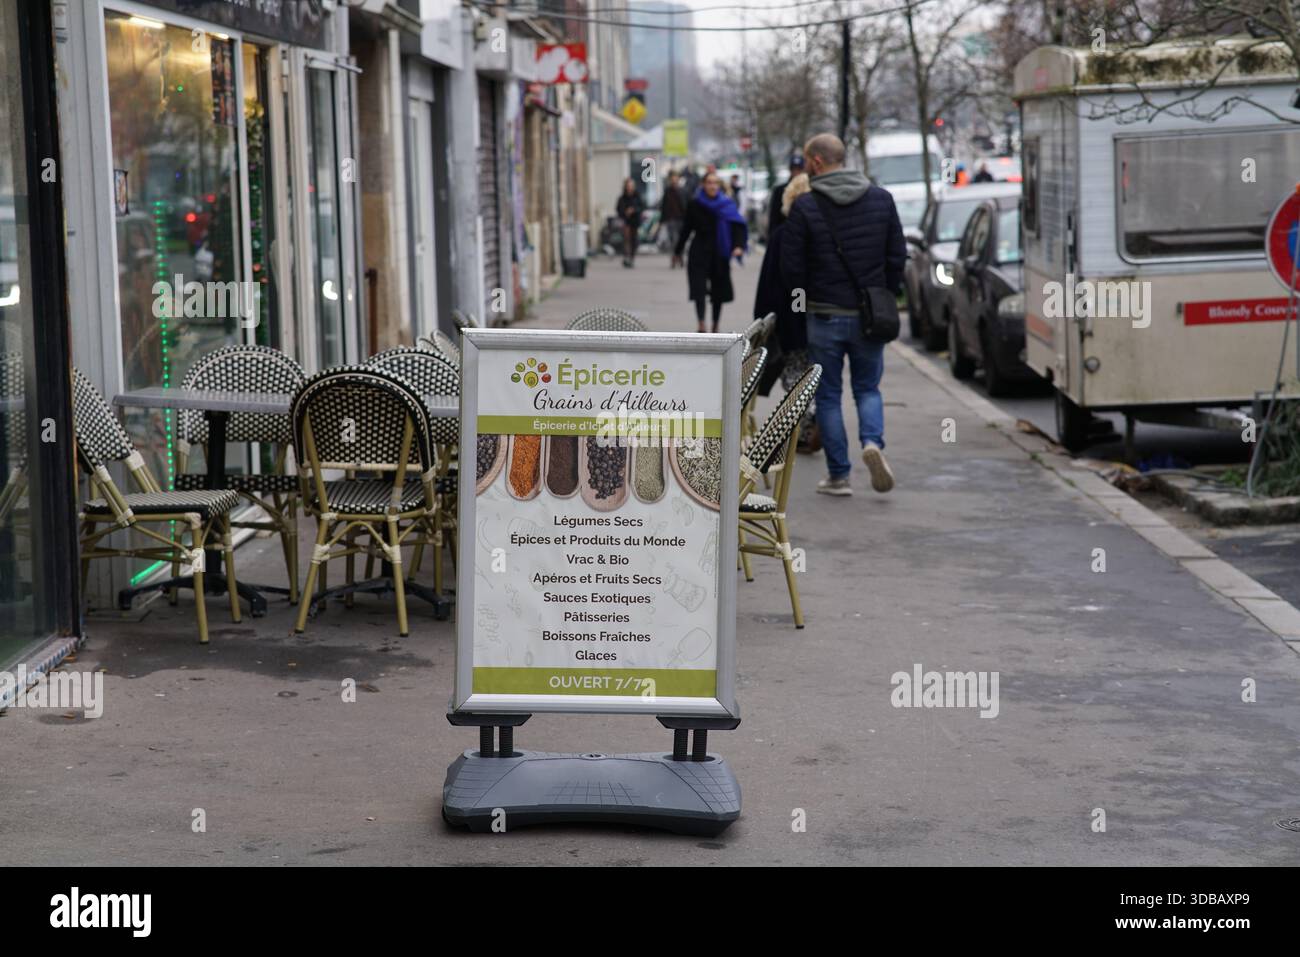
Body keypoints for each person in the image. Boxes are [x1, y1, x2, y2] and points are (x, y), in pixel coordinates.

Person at [780, 132, 904, 495]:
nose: (804, 168)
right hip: (869, 315)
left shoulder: (805, 207)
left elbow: (792, 269)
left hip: (823, 316)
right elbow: (897, 255)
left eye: (805, 161)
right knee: (867, 387)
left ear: (817, 162)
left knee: (829, 396)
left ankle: (839, 476)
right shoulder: (882, 200)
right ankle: (872, 443)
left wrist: (801, 305)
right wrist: (883, 294)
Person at [754, 172, 819, 453]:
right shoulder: (823, 229)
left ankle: (810, 420)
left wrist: (763, 319)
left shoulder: (783, 234)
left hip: (790, 316)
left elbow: (769, 281)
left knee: (794, 373)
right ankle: (812, 425)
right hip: (820, 313)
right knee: (814, 371)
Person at [673, 171, 748, 333]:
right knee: (698, 289)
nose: (712, 186)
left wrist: (738, 246)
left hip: (720, 252)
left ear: (719, 185)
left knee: (718, 292)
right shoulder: (695, 204)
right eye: (709, 182)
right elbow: (686, 229)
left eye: (715, 183)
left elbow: (738, 226)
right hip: (699, 250)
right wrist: (677, 251)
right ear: (703, 185)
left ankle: (715, 325)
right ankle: (701, 323)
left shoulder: (727, 204)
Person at [766, 153, 805, 242]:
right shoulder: (780, 191)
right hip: (785, 236)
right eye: (794, 169)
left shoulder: (809, 189)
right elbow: (774, 218)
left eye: (799, 169)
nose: (796, 172)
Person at [616, 178, 645, 268]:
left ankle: (632, 258)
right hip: (626, 221)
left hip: (635, 221)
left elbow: (642, 206)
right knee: (626, 239)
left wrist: (634, 210)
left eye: (631, 186)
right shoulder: (622, 198)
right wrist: (625, 212)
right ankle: (626, 257)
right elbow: (618, 209)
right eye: (628, 186)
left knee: (633, 240)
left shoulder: (637, 196)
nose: (629, 188)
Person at [660, 171, 687, 267]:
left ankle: (680, 256)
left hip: (681, 218)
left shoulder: (683, 191)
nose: (674, 180)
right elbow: (663, 205)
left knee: (681, 239)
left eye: (676, 178)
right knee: (672, 240)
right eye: (672, 179)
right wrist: (662, 219)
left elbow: (687, 205)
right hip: (670, 218)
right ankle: (674, 258)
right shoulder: (667, 191)